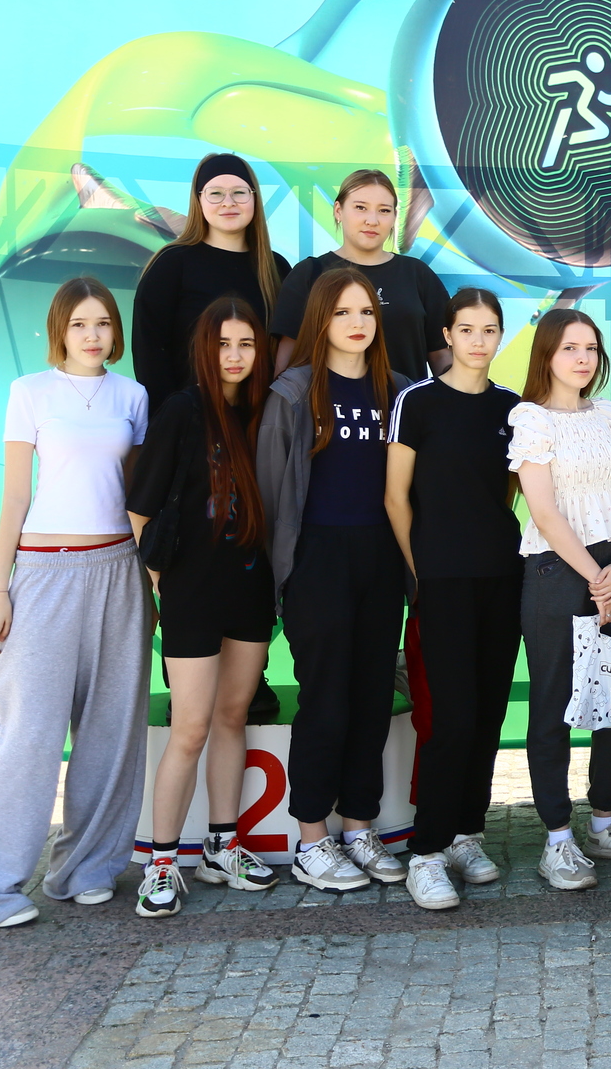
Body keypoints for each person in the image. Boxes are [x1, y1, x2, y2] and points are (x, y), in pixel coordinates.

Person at [0, 278, 150, 928]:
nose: (92, 335)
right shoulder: (30, 392)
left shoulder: (132, 396)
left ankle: (86, 868)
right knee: (29, 733)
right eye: (79, 324)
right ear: (58, 330)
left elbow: (136, 495)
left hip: (118, 569)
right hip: (44, 571)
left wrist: (152, 581)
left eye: (103, 323)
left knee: (111, 729)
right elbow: (14, 497)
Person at [258, 267, 412, 893]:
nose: (357, 323)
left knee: (372, 697)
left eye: (367, 312)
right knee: (326, 699)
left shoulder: (398, 392)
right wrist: (283, 573)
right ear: (320, 321)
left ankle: (359, 828)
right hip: (316, 559)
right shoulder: (293, 393)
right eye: (343, 312)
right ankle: (311, 839)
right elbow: (271, 494)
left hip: (380, 558)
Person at [127, 298, 280, 917]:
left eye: (246, 344)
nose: (235, 356)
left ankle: (222, 846)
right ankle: (162, 863)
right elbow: (140, 507)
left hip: (250, 587)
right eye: (223, 344)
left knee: (232, 716)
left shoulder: (265, 410)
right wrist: (162, 584)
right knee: (190, 727)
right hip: (191, 591)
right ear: (204, 349)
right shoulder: (182, 411)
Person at [383, 288, 523, 910]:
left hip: (501, 577)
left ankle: (468, 833)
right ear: (447, 334)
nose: (477, 340)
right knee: (453, 717)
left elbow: (510, 491)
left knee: (489, 714)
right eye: (466, 329)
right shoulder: (416, 402)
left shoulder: (512, 409)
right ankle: (427, 851)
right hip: (441, 583)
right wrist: (422, 568)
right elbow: (396, 497)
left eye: (489, 330)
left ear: (499, 336)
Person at [510, 308, 611, 891]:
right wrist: (597, 577)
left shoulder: (607, 414)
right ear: (547, 354)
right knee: (554, 704)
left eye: (591, 348)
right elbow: (543, 511)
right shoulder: (530, 418)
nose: (583, 358)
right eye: (570, 347)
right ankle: (557, 838)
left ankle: (606, 821)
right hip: (556, 571)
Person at [131, 153, 290, 415]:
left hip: (260, 424)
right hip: (191, 421)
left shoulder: (277, 269)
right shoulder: (172, 264)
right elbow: (150, 352)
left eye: (239, 192)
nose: (228, 202)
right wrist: (170, 418)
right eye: (215, 193)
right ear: (199, 200)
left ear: (254, 198)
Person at [271, 170, 450, 381]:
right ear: (338, 210)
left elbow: (442, 355)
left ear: (394, 216)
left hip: (405, 401)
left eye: (384, 210)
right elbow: (287, 362)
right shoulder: (309, 273)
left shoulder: (418, 274)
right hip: (327, 401)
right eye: (360, 208)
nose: (372, 220)